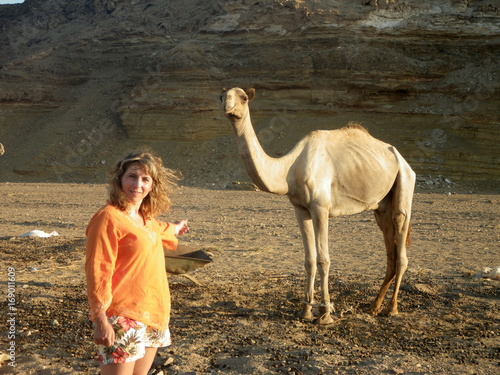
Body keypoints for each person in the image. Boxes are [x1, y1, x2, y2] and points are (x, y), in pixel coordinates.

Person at [85, 149, 188, 375]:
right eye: (132, 176)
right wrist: (100, 318)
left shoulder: (145, 219)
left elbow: (158, 229)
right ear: (119, 179)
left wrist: (176, 228)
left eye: (145, 179)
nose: (138, 184)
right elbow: (98, 269)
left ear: (152, 185)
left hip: (153, 314)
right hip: (122, 316)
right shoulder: (108, 217)